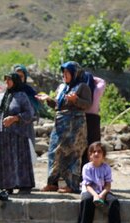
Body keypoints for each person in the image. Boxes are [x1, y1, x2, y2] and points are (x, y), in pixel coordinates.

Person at [37, 61, 92, 193]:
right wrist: (48, 99)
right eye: (63, 72)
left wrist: (76, 100)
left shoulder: (82, 87)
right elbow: (58, 105)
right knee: (53, 152)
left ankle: (71, 185)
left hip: (75, 125)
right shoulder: (61, 87)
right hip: (60, 124)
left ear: (74, 73)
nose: (64, 75)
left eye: (67, 72)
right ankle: (52, 183)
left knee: (72, 154)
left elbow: (88, 104)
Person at [0, 72, 35, 195]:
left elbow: (30, 114)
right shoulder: (1, 96)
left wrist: (15, 118)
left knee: (18, 161)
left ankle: (23, 185)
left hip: (17, 136)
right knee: (4, 161)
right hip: (2, 135)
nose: (7, 82)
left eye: (9, 80)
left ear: (15, 81)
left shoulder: (22, 96)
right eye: (6, 80)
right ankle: (5, 186)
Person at [77, 142, 122, 223]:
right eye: (94, 152)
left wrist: (102, 194)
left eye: (99, 151)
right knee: (87, 200)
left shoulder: (106, 168)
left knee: (114, 201)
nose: (96, 154)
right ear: (90, 155)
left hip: (102, 190)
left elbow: (108, 185)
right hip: (90, 191)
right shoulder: (87, 167)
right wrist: (95, 196)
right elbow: (88, 185)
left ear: (103, 155)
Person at [12, 64, 40, 145]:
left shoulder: (29, 91)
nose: (18, 79)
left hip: (26, 125)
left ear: (25, 77)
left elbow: (34, 108)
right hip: (12, 127)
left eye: (21, 76)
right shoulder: (9, 91)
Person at [83, 75, 106, 166]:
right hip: (94, 119)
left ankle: (83, 170)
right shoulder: (97, 90)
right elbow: (102, 81)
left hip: (81, 118)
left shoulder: (81, 92)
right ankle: (94, 166)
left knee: (82, 146)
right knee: (93, 145)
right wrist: (91, 77)